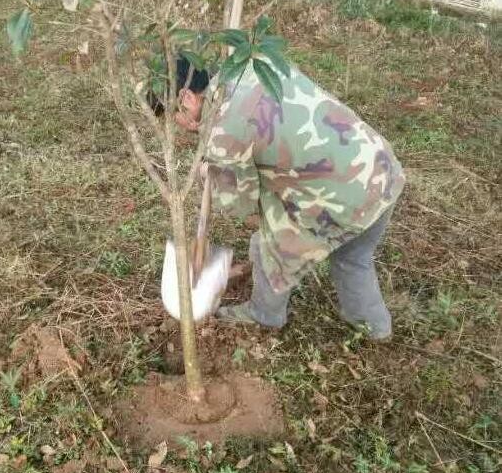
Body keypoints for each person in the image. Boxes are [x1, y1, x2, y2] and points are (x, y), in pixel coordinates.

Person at [171, 56, 405, 341]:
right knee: (353, 257)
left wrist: (213, 170)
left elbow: (240, 205)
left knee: (265, 246)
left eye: (173, 115)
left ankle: (265, 315)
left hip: (344, 200)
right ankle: (375, 329)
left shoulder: (223, 132)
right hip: (381, 170)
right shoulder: (250, 64)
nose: (176, 125)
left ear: (187, 97)